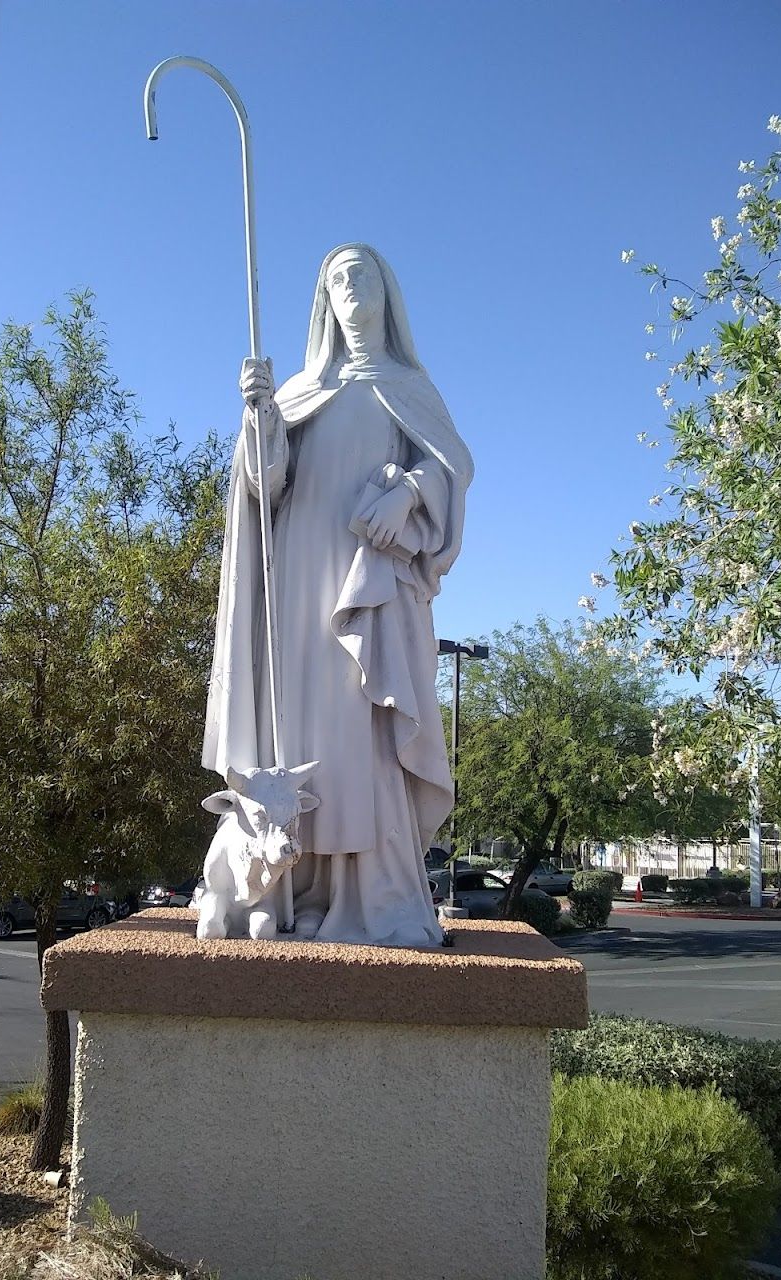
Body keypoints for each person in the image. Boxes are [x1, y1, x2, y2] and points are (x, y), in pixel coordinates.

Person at [203, 244, 473, 946]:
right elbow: (265, 488)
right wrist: (260, 418)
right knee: (294, 734)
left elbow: (449, 467)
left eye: (363, 272)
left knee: (359, 736)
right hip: (294, 579)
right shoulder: (299, 388)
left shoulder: (409, 386)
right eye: (336, 276)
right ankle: (285, 892)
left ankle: (364, 899)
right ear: (323, 299)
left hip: (365, 585)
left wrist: (410, 492)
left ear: (387, 289)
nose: (350, 284)